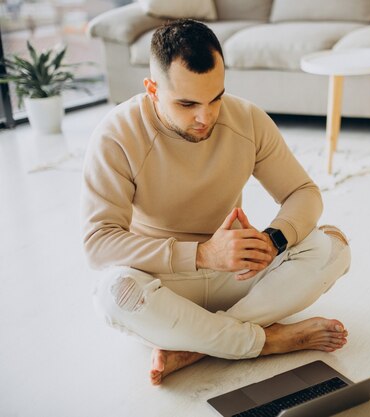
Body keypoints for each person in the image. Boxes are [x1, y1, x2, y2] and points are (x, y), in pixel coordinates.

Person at [81, 19, 351, 386]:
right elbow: (98, 244)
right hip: (164, 279)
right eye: (187, 103)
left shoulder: (247, 119)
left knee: (331, 247)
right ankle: (265, 339)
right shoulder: (115, 136)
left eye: (215, 98)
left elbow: (303, 192)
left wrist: (274, 240)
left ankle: (194, 345)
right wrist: (202, 254)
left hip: (236, 273)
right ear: (152, 89)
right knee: (114, 293)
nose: (205, 117)